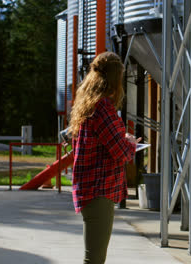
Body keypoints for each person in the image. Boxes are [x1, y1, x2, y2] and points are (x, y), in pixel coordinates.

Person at [68, 51, 140, 264]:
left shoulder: (90, 105)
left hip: (91, 188)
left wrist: (123, 137)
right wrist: (131, 143)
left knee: (94, 256)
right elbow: (121, 152)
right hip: (99, 190)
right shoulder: (103, 109)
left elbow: (105, 141)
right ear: (116, 78)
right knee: (95, 259)